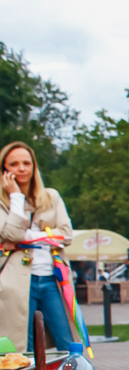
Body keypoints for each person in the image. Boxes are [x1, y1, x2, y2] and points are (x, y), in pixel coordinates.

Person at [0, 141, 76, 351]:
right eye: (14, 164)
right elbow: (12, 233)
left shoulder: (51, 197)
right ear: (4, 170)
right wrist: (16, 197)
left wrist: (26, 238)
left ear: (34, 166)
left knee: (67, 342)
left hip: (52, 279)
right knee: (24, 346)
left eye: (26, 163)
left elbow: (66, 234)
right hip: (16, 282)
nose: (21, 168)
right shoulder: (2, 203)